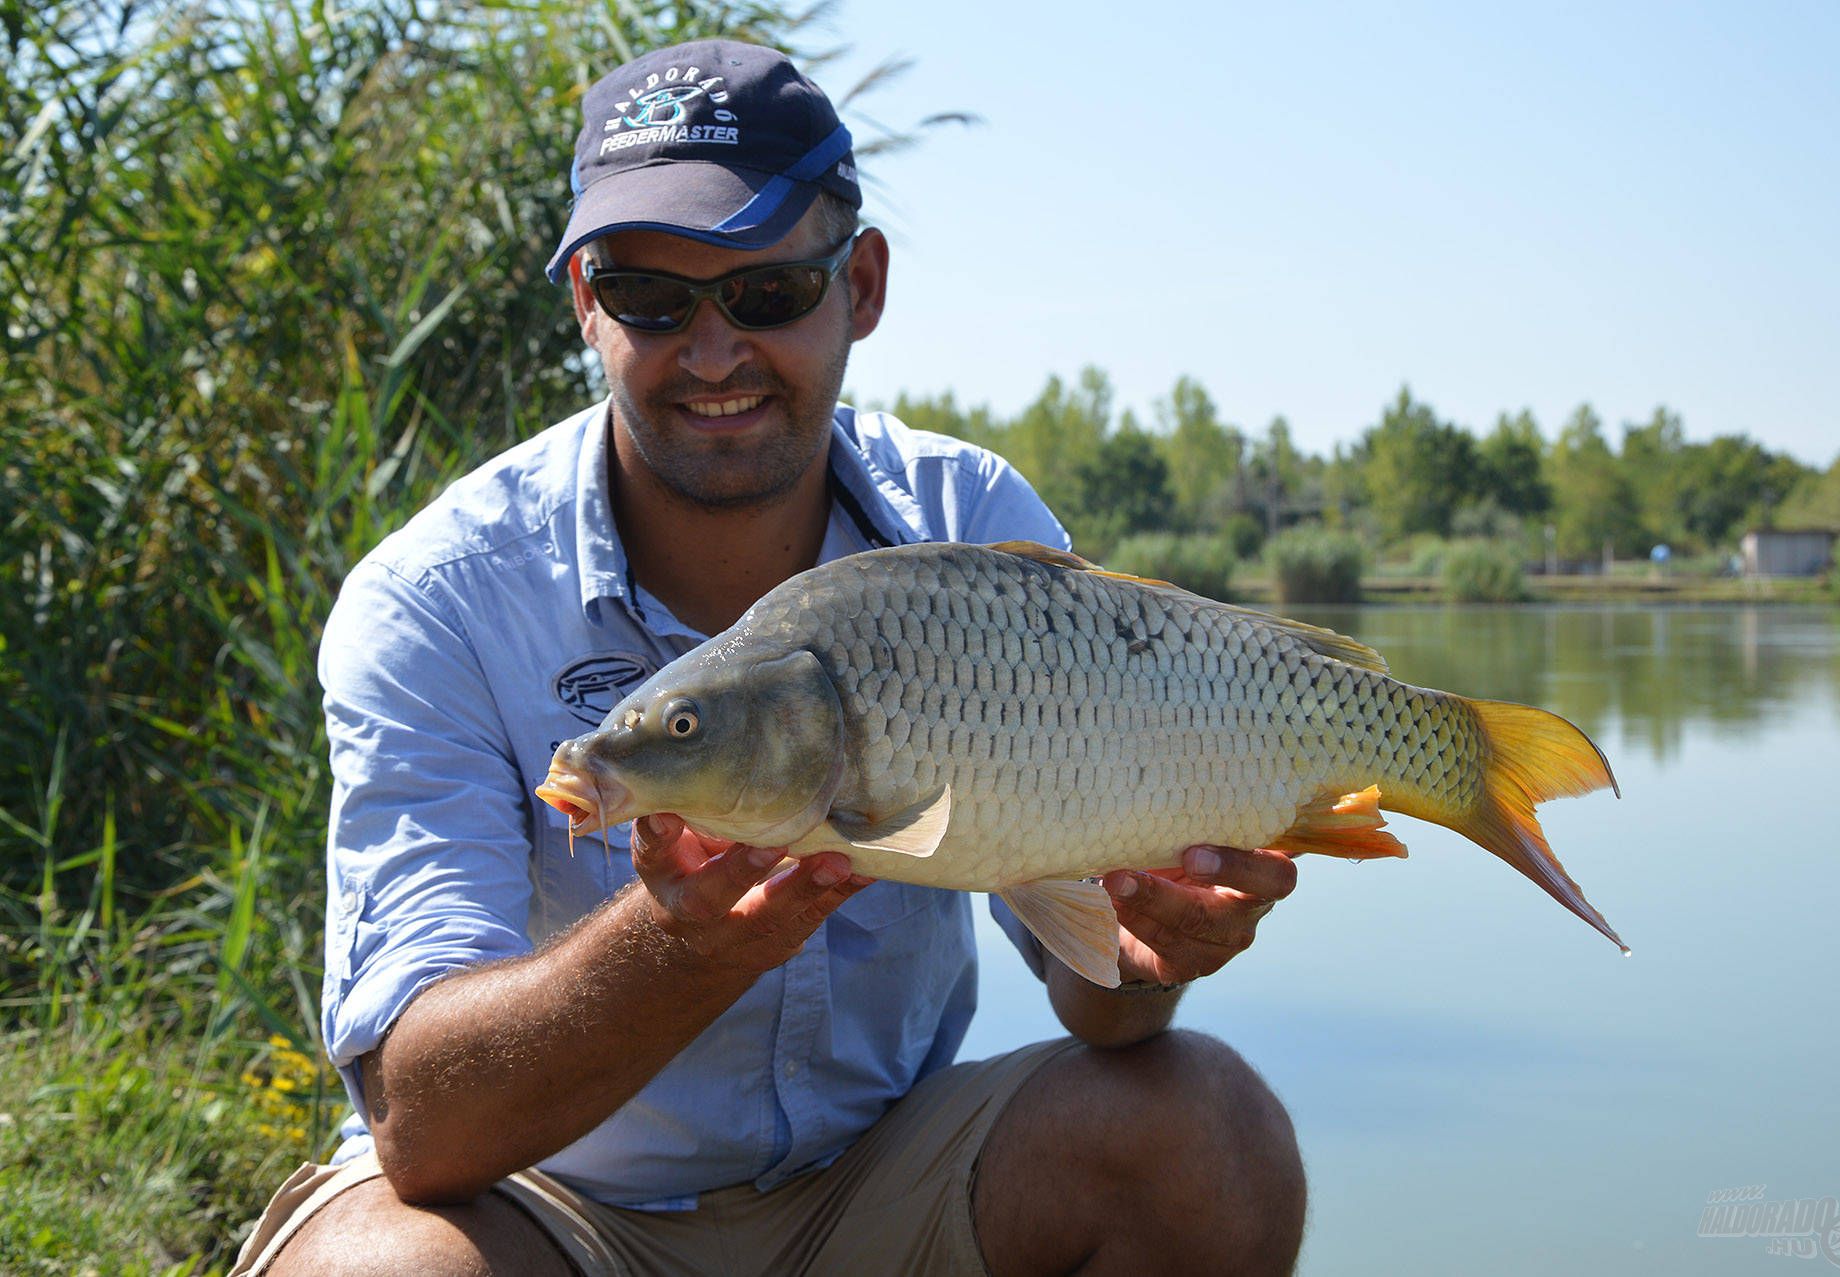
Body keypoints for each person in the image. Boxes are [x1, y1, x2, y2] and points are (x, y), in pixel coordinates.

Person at [233, 37, 1306, 1277]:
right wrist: (680, 947)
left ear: (860, 285)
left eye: (767, 294)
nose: (712, 351)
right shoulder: (437, 602)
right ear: (586, 301)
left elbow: (1094, 991)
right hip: (545, 1203)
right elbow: (422, 1125)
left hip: (875, 1175)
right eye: (649, 295)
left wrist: (1152, 950)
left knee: (1205, 1134)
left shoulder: (968, 523)